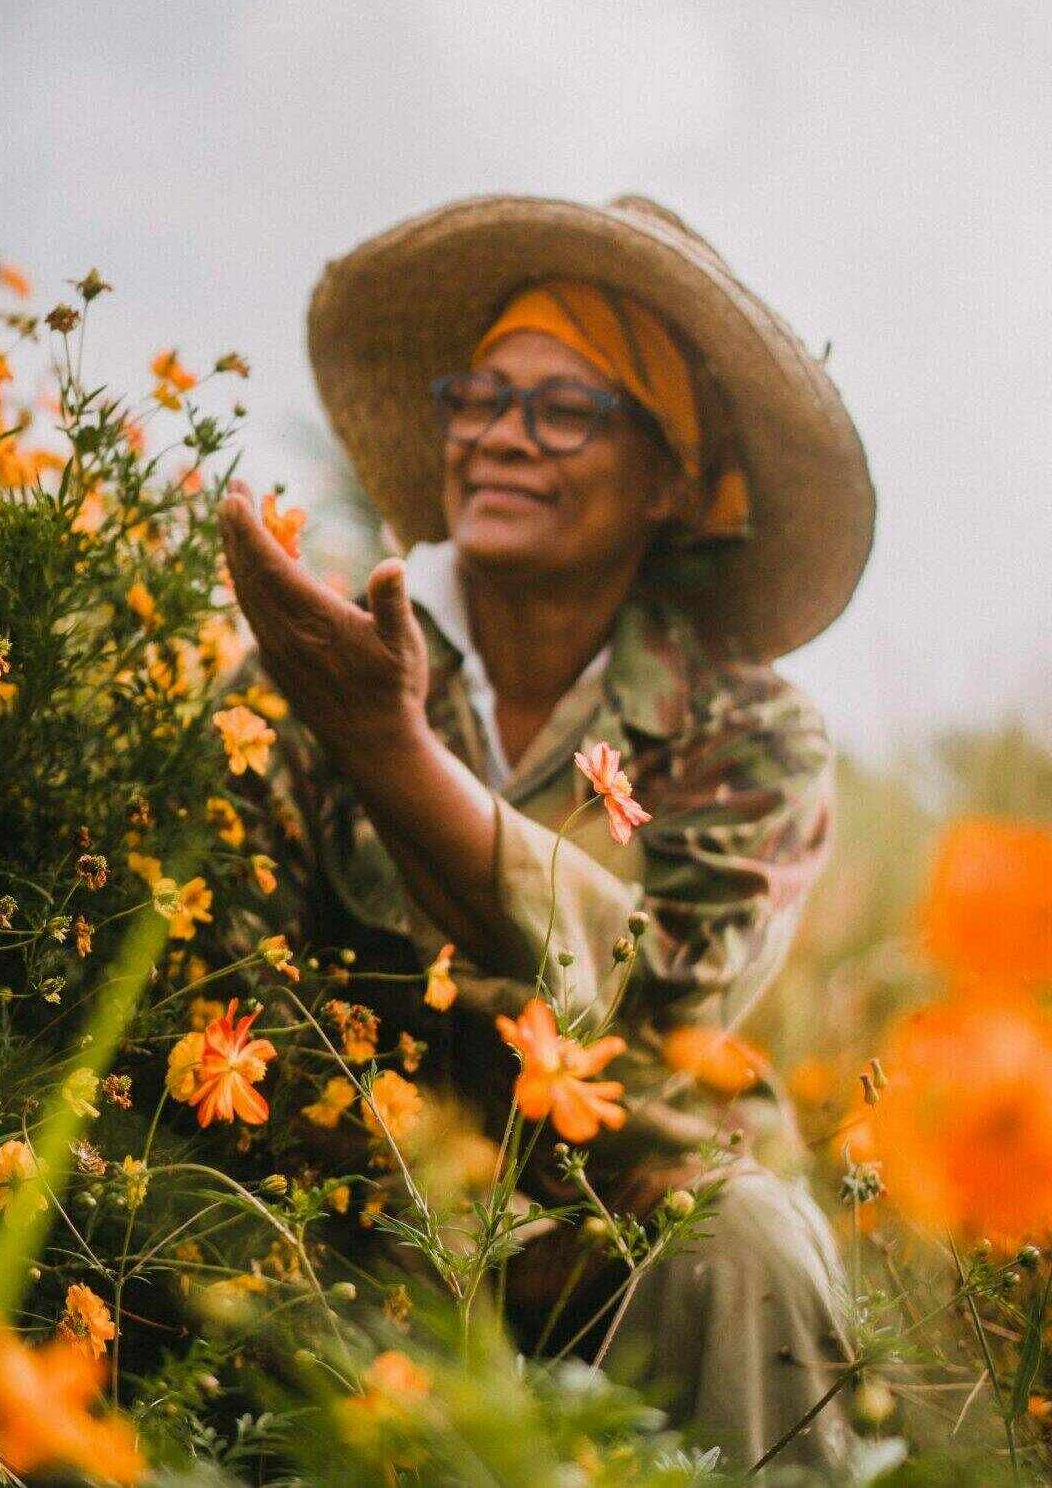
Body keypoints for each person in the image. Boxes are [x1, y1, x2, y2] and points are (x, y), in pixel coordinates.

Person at [216, 194, 875, 1469]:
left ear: (666, 480)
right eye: (481, 396)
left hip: (629, 1222)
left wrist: (393, 753)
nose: (503, 437)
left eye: (565, 408)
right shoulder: (312, 668)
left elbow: (655, 994)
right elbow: (218, 1009)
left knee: (745, 1243)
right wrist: (401, 1230)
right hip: (365, 1215)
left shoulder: (751, 732)